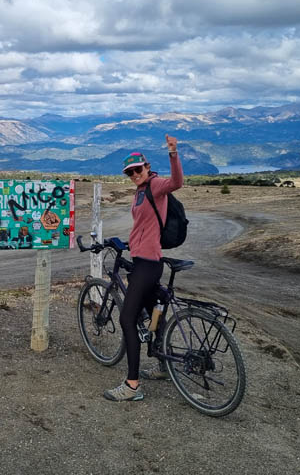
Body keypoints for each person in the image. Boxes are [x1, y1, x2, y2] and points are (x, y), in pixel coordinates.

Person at [103, 134, 183, 402]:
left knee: (127, 319)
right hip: (142, 259)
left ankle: (132, 385)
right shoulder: (139, 193)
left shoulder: (156, 185)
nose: (135, 174)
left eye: (138, 169)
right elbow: (143, 226)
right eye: (130, 172)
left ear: (147, 167)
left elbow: (177, 183)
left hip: (149, 264)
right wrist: (129, 243)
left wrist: (173, 152)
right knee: (152, 312)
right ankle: (163, 364)